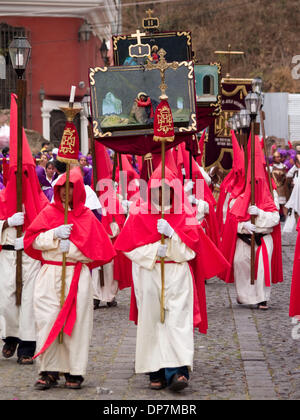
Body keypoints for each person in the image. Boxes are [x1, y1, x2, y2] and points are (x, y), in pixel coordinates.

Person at [114, 165, 229, 392]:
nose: (162, 193)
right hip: (150, 272)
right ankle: (155, 370)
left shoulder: (185, 214)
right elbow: (127, 247)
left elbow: (193, 249)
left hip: (177, 272)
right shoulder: (140, 213)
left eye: (166, 188)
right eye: (158, 188)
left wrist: (173, 237)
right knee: (152, 321)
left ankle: (178, 371)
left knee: (177, 321)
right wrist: (154, 251)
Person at [23, 168, 116, 390]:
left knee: (76, 325)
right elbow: (32, 241)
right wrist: (54, 236)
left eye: (70, 188)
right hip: (50, 274)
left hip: (76, 275)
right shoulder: (47, 212)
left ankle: (74, 371)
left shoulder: (87, 217)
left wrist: (72, 248)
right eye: (61, 188)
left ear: (78, 190)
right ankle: (48, 370)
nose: (65, 192)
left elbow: (97, 250)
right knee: (47, 321)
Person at [0, 93, 49, 365]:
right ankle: (11, 337)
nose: (21, 180)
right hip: (5, 256)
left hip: (29, 258)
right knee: (7, 302)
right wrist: (6, 223)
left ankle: (27, 345)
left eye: (25, 175)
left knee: (29, 303)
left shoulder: (41, 202)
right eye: (16, 175)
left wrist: (29, 239)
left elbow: (49, 229)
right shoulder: (1, 198)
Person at [221, 136, 283, 310]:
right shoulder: (237, 195)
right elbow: (230, 219)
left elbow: (275, 218)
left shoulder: (271, 193)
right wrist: (244, 225)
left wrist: (260, 213)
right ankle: (246, 296)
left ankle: (263, 298)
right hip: (244, 237)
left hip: (263, 237)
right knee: (241, 263)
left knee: (263, 268)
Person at [270, 150, 288, 221]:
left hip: (282, 188)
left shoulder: (284, 166)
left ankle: (285, 217)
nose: (279, 158)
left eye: (279, 157)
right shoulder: (270, 167)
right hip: (274, 188)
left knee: (283, 204)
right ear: (274, 158)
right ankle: (275, 217)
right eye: (277, 157)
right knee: (275, 203)